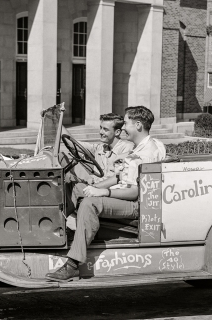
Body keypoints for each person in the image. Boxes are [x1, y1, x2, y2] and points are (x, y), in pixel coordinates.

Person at [46, 106, 166, 282]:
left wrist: (103, 191)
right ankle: (57, 231)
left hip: (138, 205)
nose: (123, 127)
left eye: (126, 123)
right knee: (76, 187)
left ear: (138, 125)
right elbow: (120, 176)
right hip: (124, 194)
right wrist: (95, 188)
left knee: (90, 203)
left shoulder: (146, 154)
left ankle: (72, 265)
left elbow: (135, 192)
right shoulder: (141, 147)